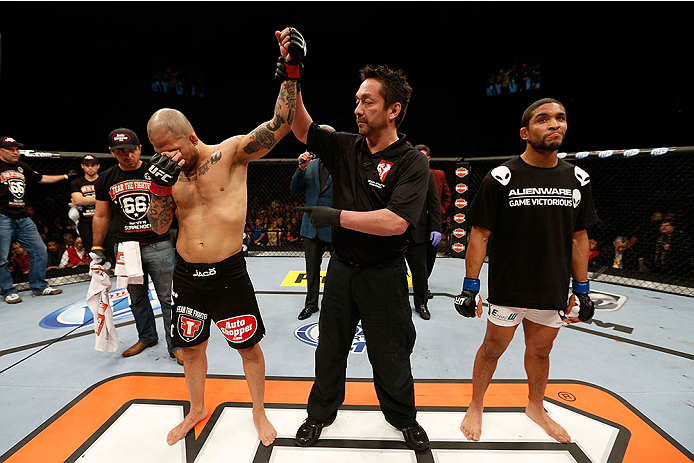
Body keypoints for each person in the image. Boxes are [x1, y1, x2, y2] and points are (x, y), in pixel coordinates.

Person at [143, 26, 303, 448]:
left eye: (173, 148)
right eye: (159, 151)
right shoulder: (166, 175)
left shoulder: (229, 154)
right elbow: (160, 228)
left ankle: (259, 411)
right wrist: (158, 189)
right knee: (191, 350)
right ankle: (196, 408)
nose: (168, 156)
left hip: (229, 273)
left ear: (191, 136)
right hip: (185, 277)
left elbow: (281, 124)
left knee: (247, 348)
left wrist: (291, 70)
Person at [289, 63, 431, 452]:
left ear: (393, 109)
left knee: (391, 354)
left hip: (383, 273)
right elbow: (301, 128)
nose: (357, 109)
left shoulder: (411, 161)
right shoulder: (345, 146)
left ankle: (403, 419)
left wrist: (335, 217)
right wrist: (292, 74)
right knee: (330, 349)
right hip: (341, 270)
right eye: (356, 101)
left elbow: (396, 222)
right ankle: (319, 415)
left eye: (367, 102)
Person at [455, 98, 598, 443]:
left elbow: (580, 238)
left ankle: (536, 406)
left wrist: (582, 290)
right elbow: (480, 234)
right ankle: (476, 404)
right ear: (525, 131)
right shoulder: (502, 177)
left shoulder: (577, 178)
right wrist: (470, 286)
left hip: (551, 288)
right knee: (492, 348)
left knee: (541, 351)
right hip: (508, 286)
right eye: (543, 119)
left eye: (561, 118)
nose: (555, 124)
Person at [91, 127, 182, 364]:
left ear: (139, 149)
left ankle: (176, 345)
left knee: (168, 297)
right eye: (120, 151)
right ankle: (147, 337)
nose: (127, 155)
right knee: (136, 297)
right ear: (112, 152)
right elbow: (101, 215)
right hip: (126, 247)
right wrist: (97, 246)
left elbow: (174, 204)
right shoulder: (106, 179)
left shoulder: (156, 172)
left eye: (130, 150)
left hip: (158, 243)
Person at [1, 136, 67, 304]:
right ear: (1, 150)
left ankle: (39, 287)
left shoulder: (22, 167)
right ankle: (8, 291)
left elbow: (41, 178)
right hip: (2, 216)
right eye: (10, 149)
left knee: (39, 250)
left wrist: (65, 176)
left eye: (17, 149)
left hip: (23, 217)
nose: (15, 152)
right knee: (2, 258)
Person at [290, 149, 334, 320]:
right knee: (312, 269)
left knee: (338, 269)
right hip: (311, 227)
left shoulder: (342, 164)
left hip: (334, 225)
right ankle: (311, 305)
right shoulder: (309, 165)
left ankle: (334, 304)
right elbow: (295, 189)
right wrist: (300, 169)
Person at [404, 164, 441, 320]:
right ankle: (394, 304)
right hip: (393, 231)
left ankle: (421, 303)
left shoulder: (426, 174)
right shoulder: (392, 171)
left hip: (418, 231)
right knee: (391, 270)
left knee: (420, 271)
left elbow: (433, 203)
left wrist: (436, 227)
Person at [414, 144, 451, 291]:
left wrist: (441, 211)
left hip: (433, 222)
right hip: (416, 223)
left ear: (428, 159)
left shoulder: (437, 175)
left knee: (430, 256)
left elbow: (447, 196)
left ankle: (424, 284)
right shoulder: (410, 174)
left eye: (423, 157)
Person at [70, 154, 114, 263]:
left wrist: (86, 198)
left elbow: (112, 197)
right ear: (82, 166)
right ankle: (97, 276)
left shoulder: (105, 180)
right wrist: (103, 198)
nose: (90, 168)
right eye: (87, 165)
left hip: (106, 221)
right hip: (86, 222)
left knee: (112, 250)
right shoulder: (76, 182)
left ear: (98, 166)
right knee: (93, 254)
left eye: (93, 165)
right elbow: (78, 199)